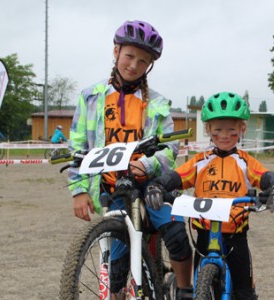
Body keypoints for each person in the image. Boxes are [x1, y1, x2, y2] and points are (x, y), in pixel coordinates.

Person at [66, 20, 193, 297]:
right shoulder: (90, 97)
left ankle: (186, 291)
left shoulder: (158, 104)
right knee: (118, 267)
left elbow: (171, 148)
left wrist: (147, 164)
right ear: (116, 52)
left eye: (143, 61)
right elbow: (76, 146)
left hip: (150, 183)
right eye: (129, 56)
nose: (134, 65)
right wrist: (78, 190)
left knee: (176, 236)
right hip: (112, 186)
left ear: (149, 66)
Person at [144, 92, 274, 300]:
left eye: (231, 129)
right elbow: (177, 176)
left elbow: (264, 176)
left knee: (244, 293)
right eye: (218, 129)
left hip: (235, 237)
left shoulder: (244, 161)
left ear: (242, 129)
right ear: (208, 129)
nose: (224, 135)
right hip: (204, 234)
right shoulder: (201, 161)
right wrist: (158, 185)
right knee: (200, 291)